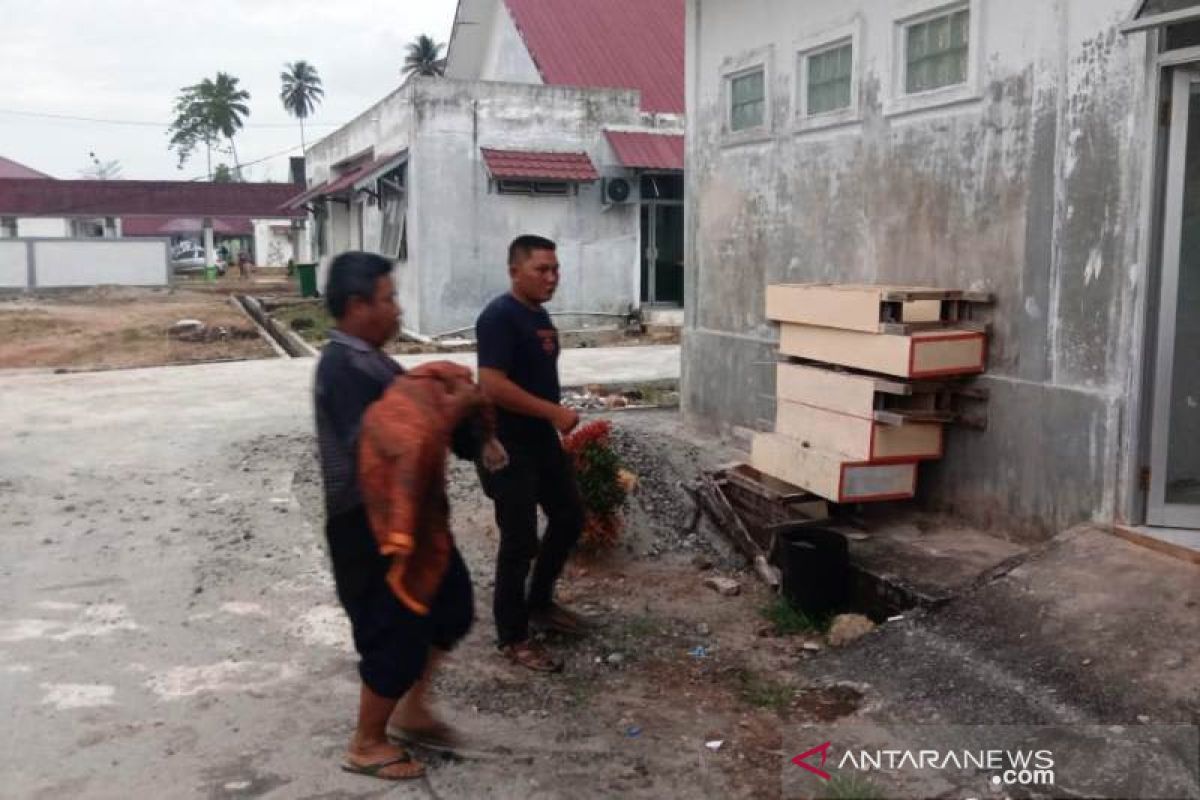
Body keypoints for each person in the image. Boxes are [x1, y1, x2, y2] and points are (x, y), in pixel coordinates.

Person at [314, 251, 475, 781]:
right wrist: (446, 412)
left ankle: (412, 709)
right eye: (389, 300)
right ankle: (366, 742)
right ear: (358, 306)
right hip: (371, 528)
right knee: (395, 630)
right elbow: (387, 445)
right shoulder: (343, 369)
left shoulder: (374, 361)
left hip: (414, 522)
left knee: (451, 604)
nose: (398, 310)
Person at [475, 235, 589, 673]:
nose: (551, 277)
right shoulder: (499, 317)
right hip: (506, 444)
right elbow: (492, 385)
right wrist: (555, 413)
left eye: (555, 269)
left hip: (540, 440)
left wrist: (550, 420)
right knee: (519, 539)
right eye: (542, 269)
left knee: (569, 516)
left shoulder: (538, 316)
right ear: (514, 271)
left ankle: (539, 603)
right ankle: (513, 637)